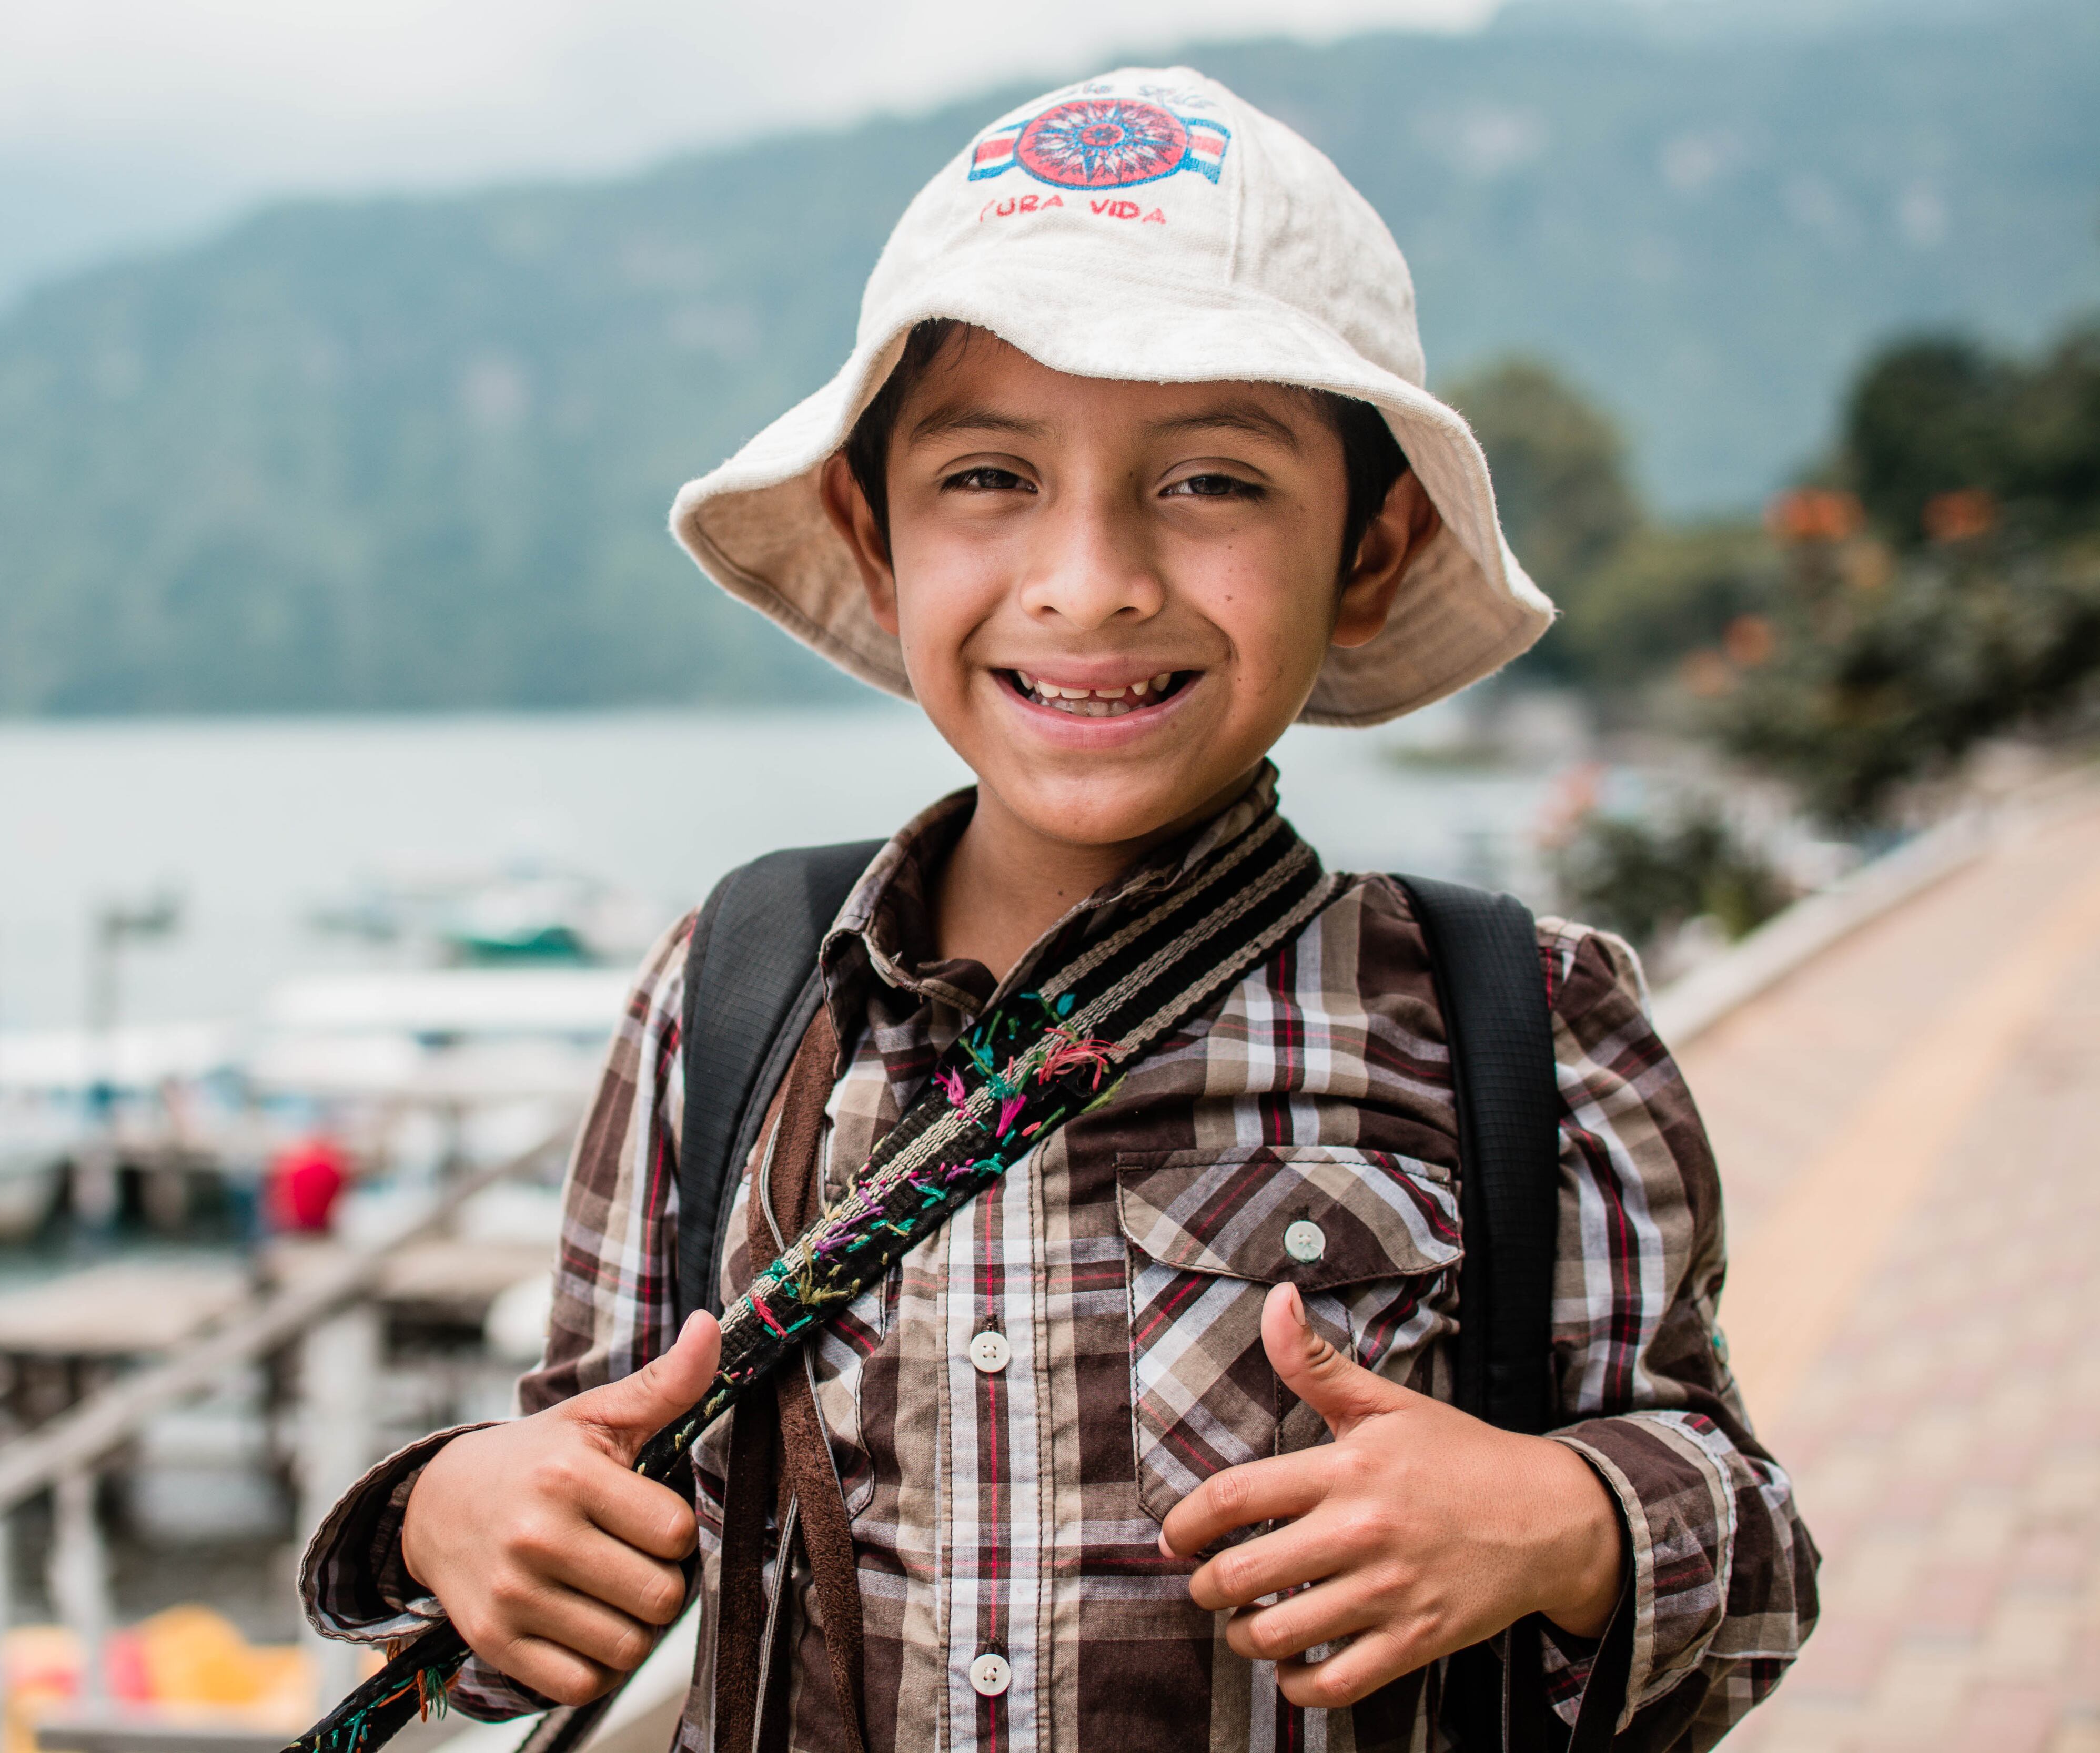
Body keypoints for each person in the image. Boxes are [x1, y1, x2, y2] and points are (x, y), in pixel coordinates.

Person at [299, 68, 1815, 1752]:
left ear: (1369, 551)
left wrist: (1565, 1525)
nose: (1089, 580)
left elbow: (1748, 1570)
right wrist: (456, 1514)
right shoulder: (730, 999)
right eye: (991, 477)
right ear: (876, 540)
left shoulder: (1512, 1018)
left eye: (1212, 484)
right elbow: (553, 1565)